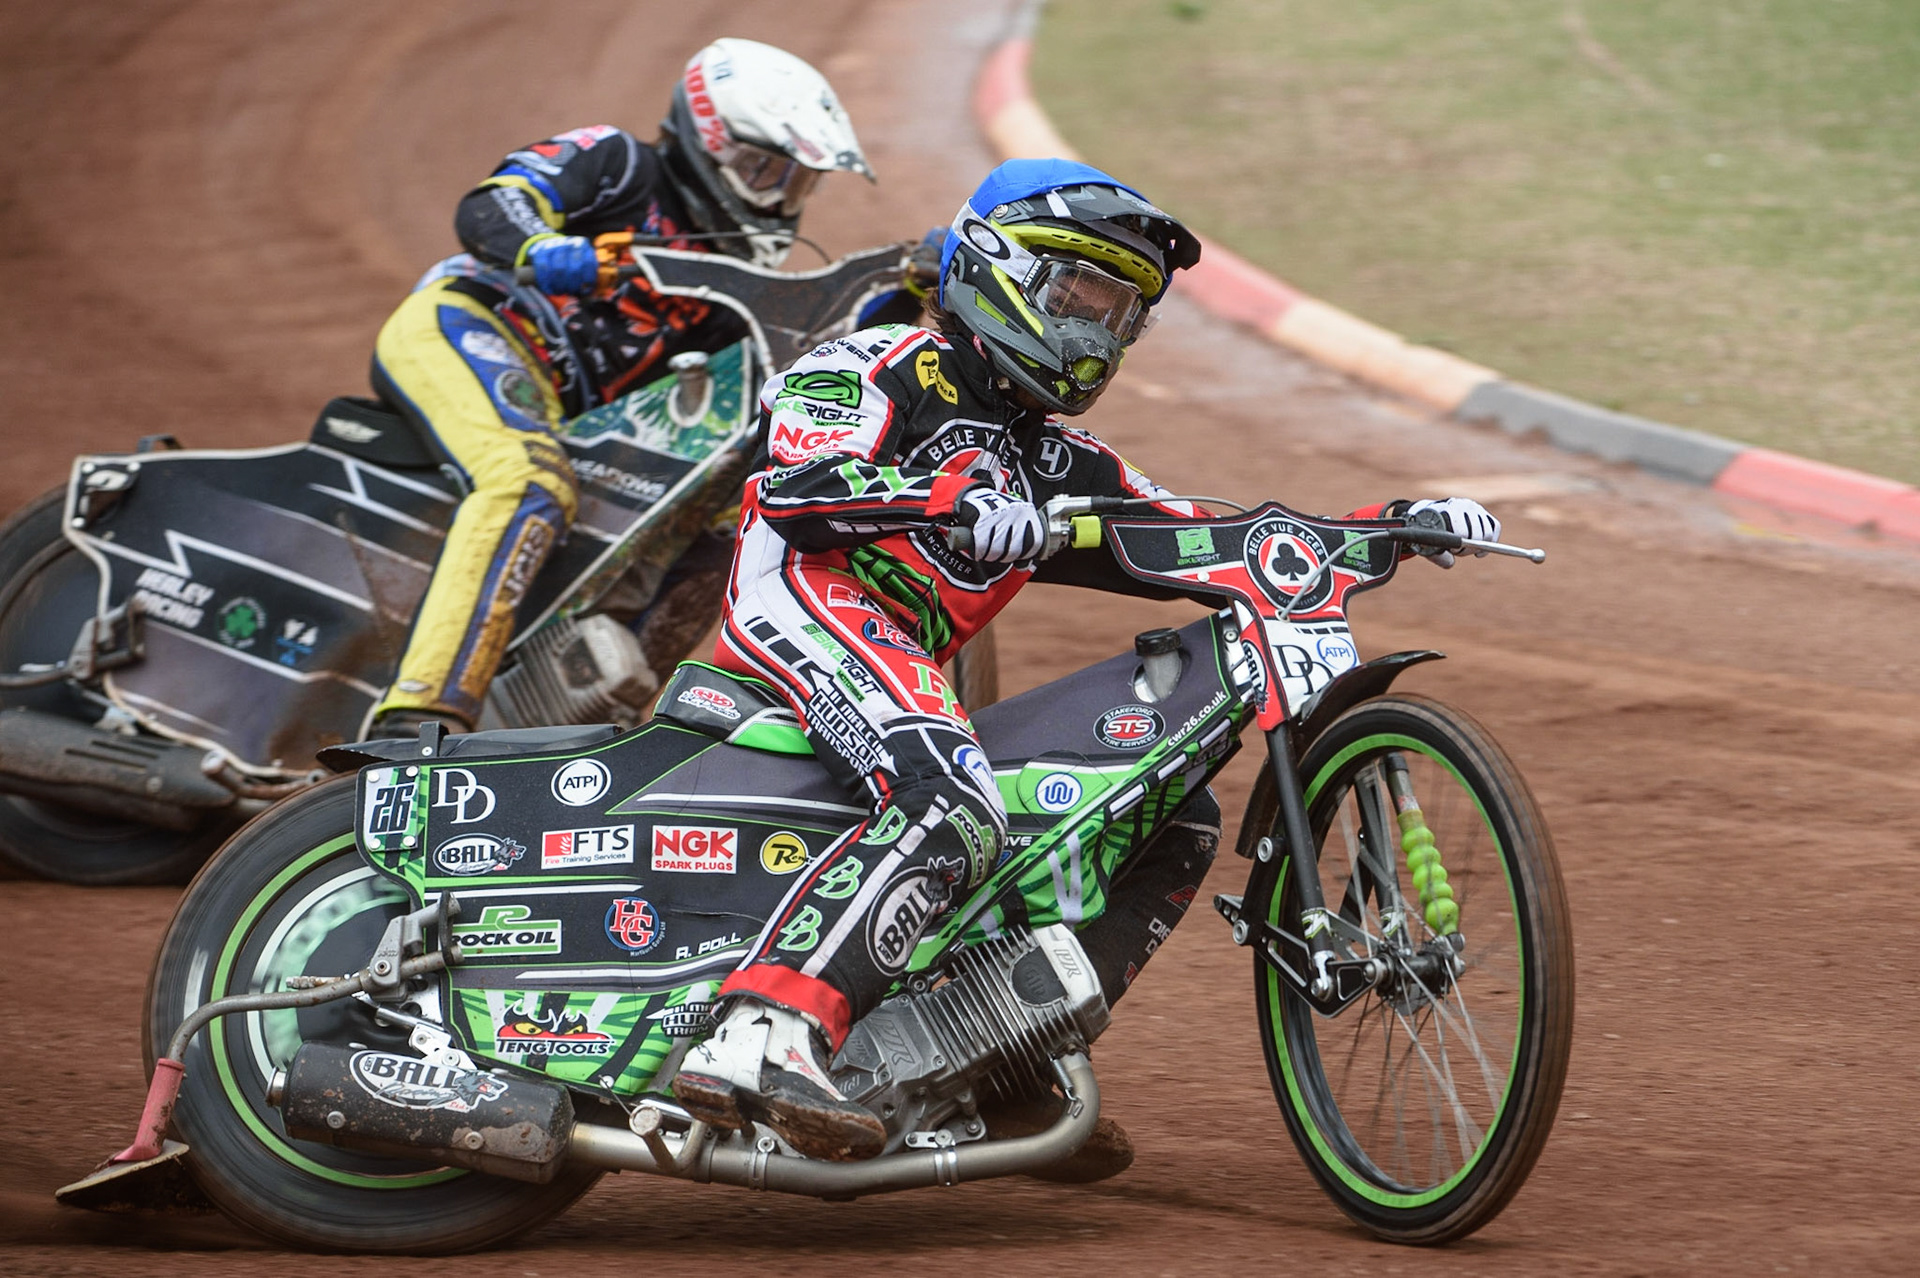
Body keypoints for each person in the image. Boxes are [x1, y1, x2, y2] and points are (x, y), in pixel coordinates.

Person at [671, 157, 1503, 1167]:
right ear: (992, 267)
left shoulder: (1058, 462)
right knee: (958, 802)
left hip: (902, 669)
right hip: (802, 608)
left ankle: (984, 1059)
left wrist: (1383, 527)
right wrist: (944, 499)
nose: (1095, 328)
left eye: (1119, 312)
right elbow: (796, 492)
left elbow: (1210, 536)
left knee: (1173, 809)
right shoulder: (875, 364)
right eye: (1079, 293)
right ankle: (763, 1032)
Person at [367, 38, 878, 736]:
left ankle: (583, 726)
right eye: (765, 171)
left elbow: (816, 344)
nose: (779, 198)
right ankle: (418, 721)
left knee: (728, 519)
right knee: (527, 484)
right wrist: (543, 249)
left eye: (797, 183)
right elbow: (494, 203)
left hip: (562, 410)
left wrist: (918, 285)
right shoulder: (618, 162)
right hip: (469, 325)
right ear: (710, 142)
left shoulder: (728, 278)